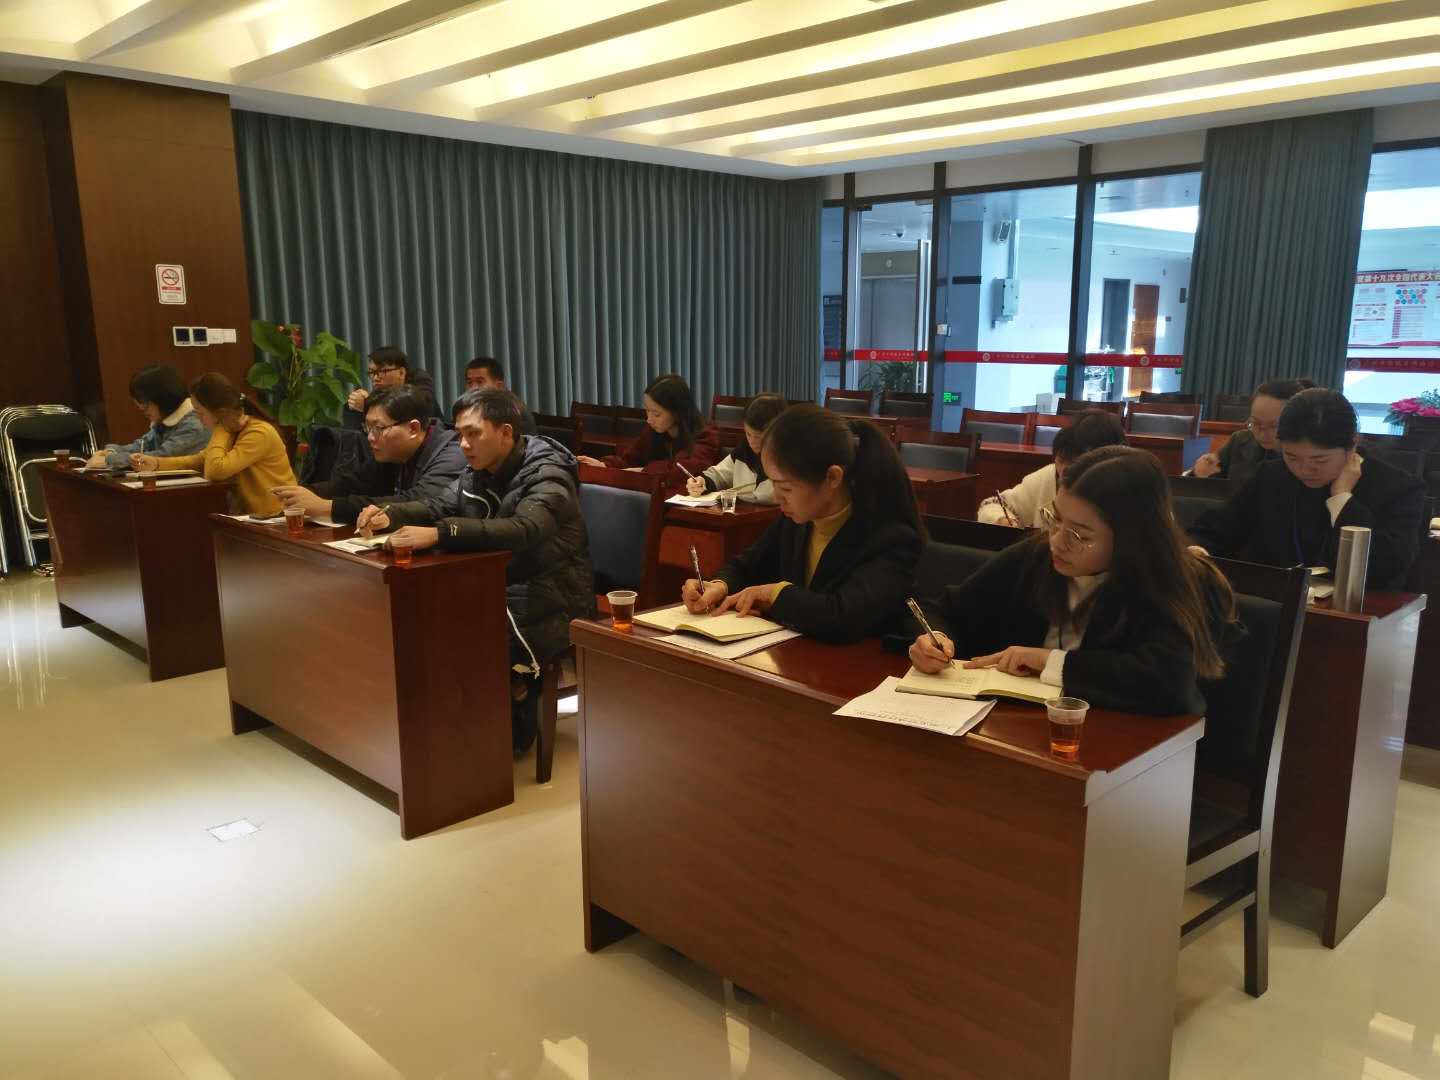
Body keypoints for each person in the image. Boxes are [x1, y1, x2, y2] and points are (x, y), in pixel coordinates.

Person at [354, 389, 594, 757]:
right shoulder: (479, 469)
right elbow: (440, 504)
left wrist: (441, 533)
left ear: (505, 432)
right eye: (460, 434)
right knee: (422, 621)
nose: (463, 444)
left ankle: (500, 717)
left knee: (458, 632)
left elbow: (524, 529)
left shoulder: (548, 472)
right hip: (498, 581)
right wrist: (391, 514)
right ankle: (446, 731)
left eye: (473, 433)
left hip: (551, 592)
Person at [911, 446, 1238, 715]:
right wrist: (934, 638)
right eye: (1055, 518)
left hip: (1121, 748)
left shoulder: (1171, 581)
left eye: (1080, 535)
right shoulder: (1037, 556)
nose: (1057, 541)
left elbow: (1167, 682)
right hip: (1021, 730)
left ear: (1131, 539)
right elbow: (945, 609)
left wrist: (1049, 662)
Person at [682, 404, 922, 642]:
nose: (777, 497)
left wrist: (774, 593)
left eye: (785, 487)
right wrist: (718, 586)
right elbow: (746, 565)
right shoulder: (797, 520)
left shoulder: (889, 538)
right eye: (772, 483)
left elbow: (842, 616)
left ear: (832, 478)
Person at [1189, 388, 1426, 590]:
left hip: (1353, 614)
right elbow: (1218, 528)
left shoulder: (1397, 487)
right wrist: (1198, 551)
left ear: (1352, 444)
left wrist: (1342, 499)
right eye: (1292, 457)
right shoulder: (1273, 474)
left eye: (1319, 460)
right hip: (1271, 605)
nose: (1305, 469)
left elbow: (1386, 566)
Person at [270, 385, 465, 526]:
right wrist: (302, 493)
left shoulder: (453, 452)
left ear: (413, 428)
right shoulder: (391, 451)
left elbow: (418, 502)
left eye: (378, 428)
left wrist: (327, 507)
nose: (370, 437)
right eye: (367, 427)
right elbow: (352, 483)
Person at [134, 372, 295, 516]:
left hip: (279, 516)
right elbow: (200, 460)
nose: (199, 419)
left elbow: (215, 471)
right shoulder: (232, 430)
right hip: (251, 517)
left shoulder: (258, 432)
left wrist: (220, 427)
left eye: (200, 412)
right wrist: (156, 463)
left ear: (220, 412)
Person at [976, 409, 1126, 526]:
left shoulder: (1126, 494)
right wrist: (1001, 519)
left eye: (1076, 462)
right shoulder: (1048, 477)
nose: (1065, 473)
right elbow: (992, 505)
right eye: (1061, 459)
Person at [575, 373, 721, 481]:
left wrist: (642, 471)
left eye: (656, 414)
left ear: (677, 412)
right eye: (647, 411)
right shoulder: (653, 430)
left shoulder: (706, 436)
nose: (649, 420)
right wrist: (604, 465)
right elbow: (630, 459)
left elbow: (681, 471)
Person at [1190, 377, 1317, 486]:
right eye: (1255, 423)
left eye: (1273, 426)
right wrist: (1199, 472)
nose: (1262, 433)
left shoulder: (1312, 457)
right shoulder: (1240, 441)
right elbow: (1212, 483)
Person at [85, 365, 210, 469]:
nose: (142, 409)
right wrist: (112, 451)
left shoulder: (193, 425)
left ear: (164, 398)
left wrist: (109, 460)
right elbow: (142, 445)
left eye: (145, 404)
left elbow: (161, 457)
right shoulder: (165, 420)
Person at [685, 393, 787, 504]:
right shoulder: (745, 450)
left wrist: (733, 495)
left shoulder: (787, 457)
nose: (752, 442)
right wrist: (702, 482)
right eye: (748, 434)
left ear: (776, 433)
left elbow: (766, 496)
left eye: (758, 436)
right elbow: (720, 474)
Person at [343, 346, 445, 430]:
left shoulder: (419, 380)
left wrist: (366, 405)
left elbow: (418, 408)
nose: (375, 378)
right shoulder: (378, 394)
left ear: (401, 372)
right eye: (372, 373)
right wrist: (356, 403)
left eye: (382, 371)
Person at [459, 357, 537, 435]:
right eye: (469, 382)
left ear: (499, 385)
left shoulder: (511, 411)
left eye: (479, 382)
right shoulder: (476, 405)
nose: (473, 388)